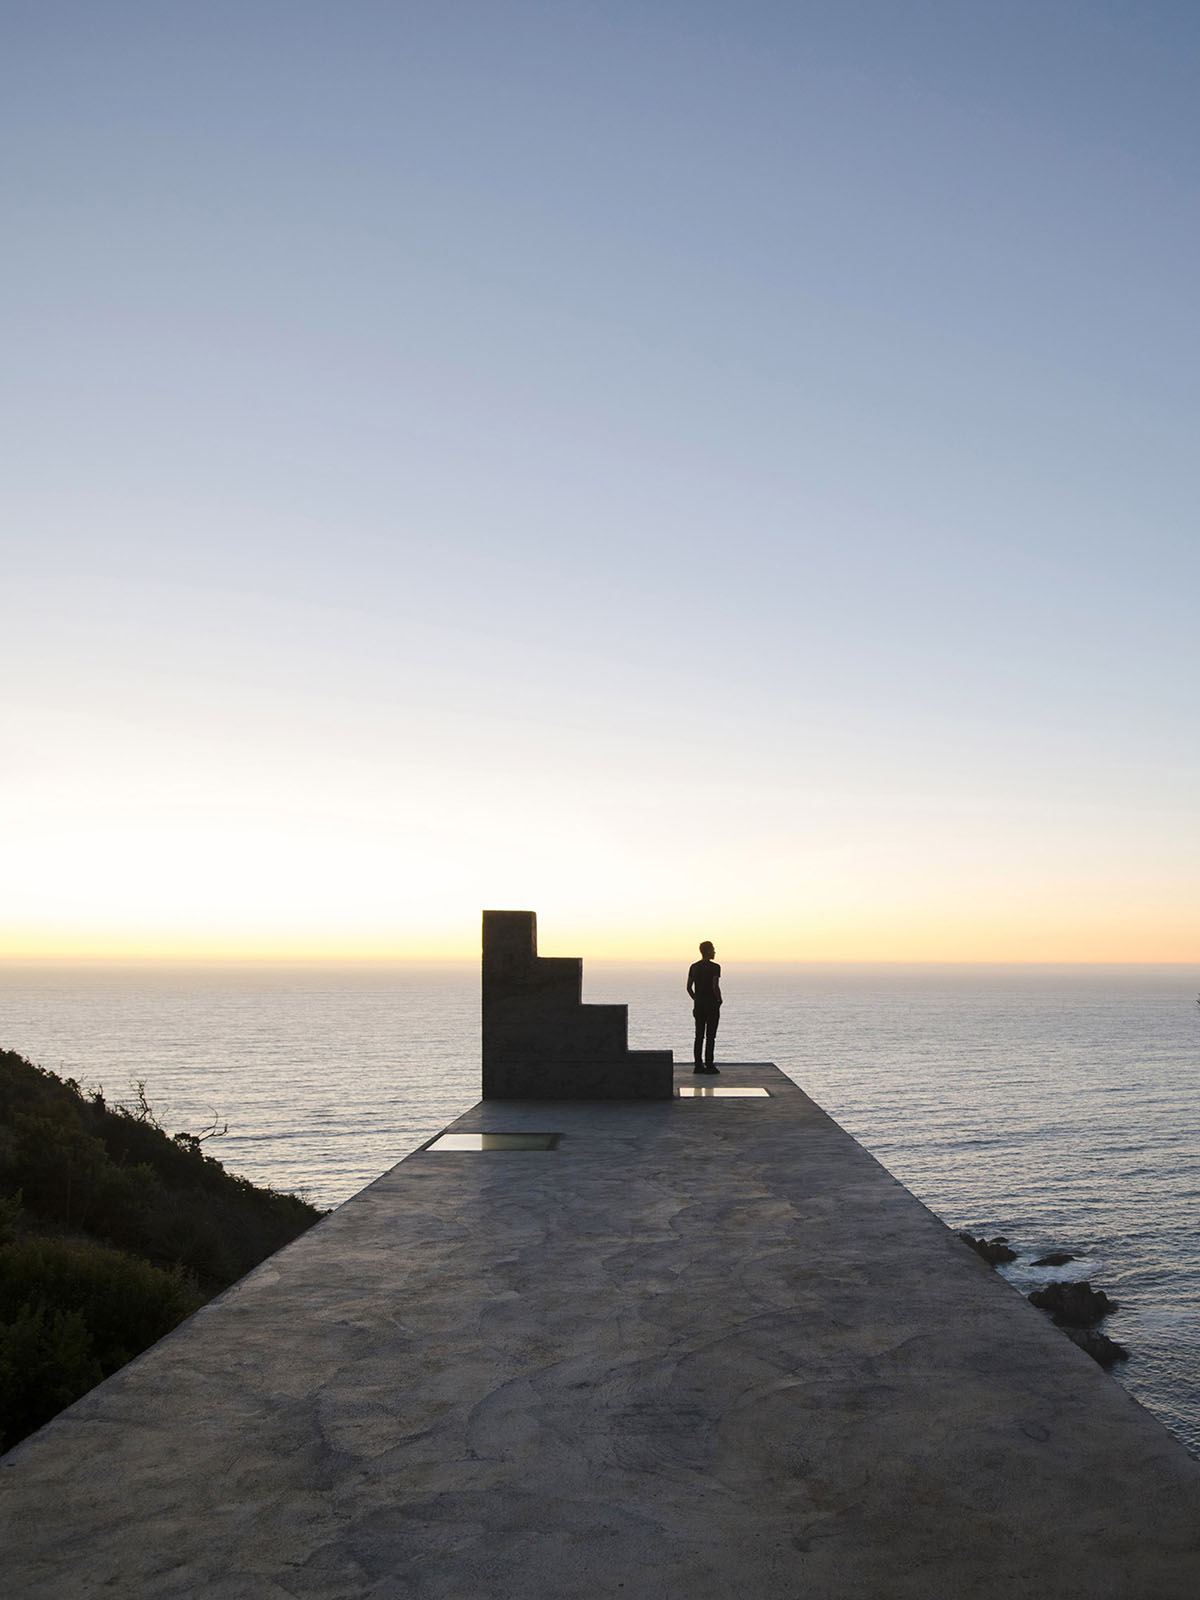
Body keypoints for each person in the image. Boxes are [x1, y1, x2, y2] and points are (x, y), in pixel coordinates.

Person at [687, 940, 722, 1073]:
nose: (714, 952)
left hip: (699, 1006)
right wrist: (719, 999)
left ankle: (698, 1065)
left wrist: (696, 999)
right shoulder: (715, 967)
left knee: (699, 1036)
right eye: (713, 949)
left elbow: (689, 987)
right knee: (710, 1036)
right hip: (711, 1005)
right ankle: (709, 1064)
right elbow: (715, 986)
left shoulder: (694, 967)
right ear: (708, 951)